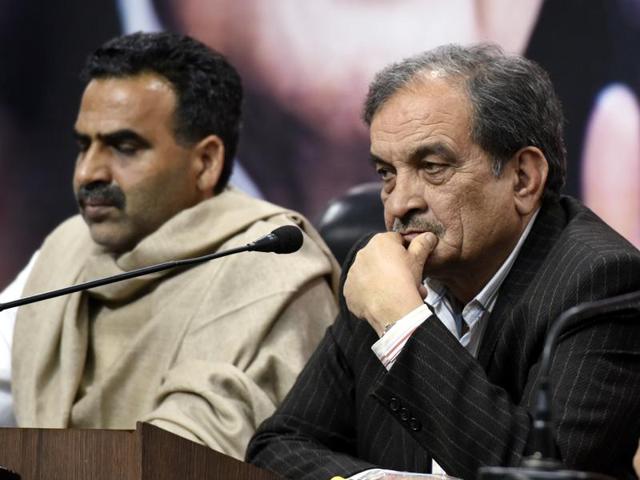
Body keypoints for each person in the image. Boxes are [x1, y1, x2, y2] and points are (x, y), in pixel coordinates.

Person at [246, 44, 640, 480]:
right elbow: (277, 446)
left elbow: (541, 475)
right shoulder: (382, 266)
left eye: (432, 166)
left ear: (523, 179)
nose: (399, 204)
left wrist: (401, 322)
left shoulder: (601, 283)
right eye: (386, 173)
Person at [0, 31, 340, 460]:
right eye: (83, 146)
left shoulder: (270, 264)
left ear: (206, 162)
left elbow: (192, 453)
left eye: (124, 148)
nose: (88, 173)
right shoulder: (68, 249)